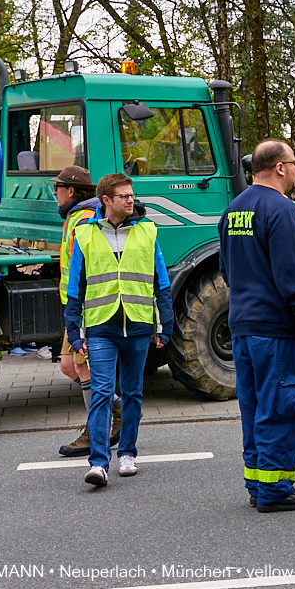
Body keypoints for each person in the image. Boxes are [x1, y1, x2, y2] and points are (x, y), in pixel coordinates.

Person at [219, 139, 295, 512]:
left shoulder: (234, 209)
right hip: (281, 330)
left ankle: (257, 482)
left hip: (244, 326)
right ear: (280, 167)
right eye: (294, 163)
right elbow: (293, 273)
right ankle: (276, 489)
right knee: (282, 408)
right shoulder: (283, 209)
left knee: (255, 408)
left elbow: (227, 270)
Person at [65, 173, 173, 487]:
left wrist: (165, 326)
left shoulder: (148, 232)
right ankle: (98, 463)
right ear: (106, 201)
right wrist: (74, 334)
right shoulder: (84, 234)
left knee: (133, 394)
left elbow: (161, 283)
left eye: (131, 194)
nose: (131, 199)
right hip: (100, 326)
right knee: (100, 393)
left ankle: (127, 453)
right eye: (124, 195)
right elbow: (75, 289)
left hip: (138, 325)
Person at [51, 166, 121, 457]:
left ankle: (97, 430)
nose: (54, 193)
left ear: (71, 191)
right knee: (70, 366)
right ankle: (120, 409)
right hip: (75, 303)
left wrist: (79, 306)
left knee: (81, 366)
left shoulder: (83, 218)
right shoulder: (75, 216)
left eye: (58, 188)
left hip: (84, 304)